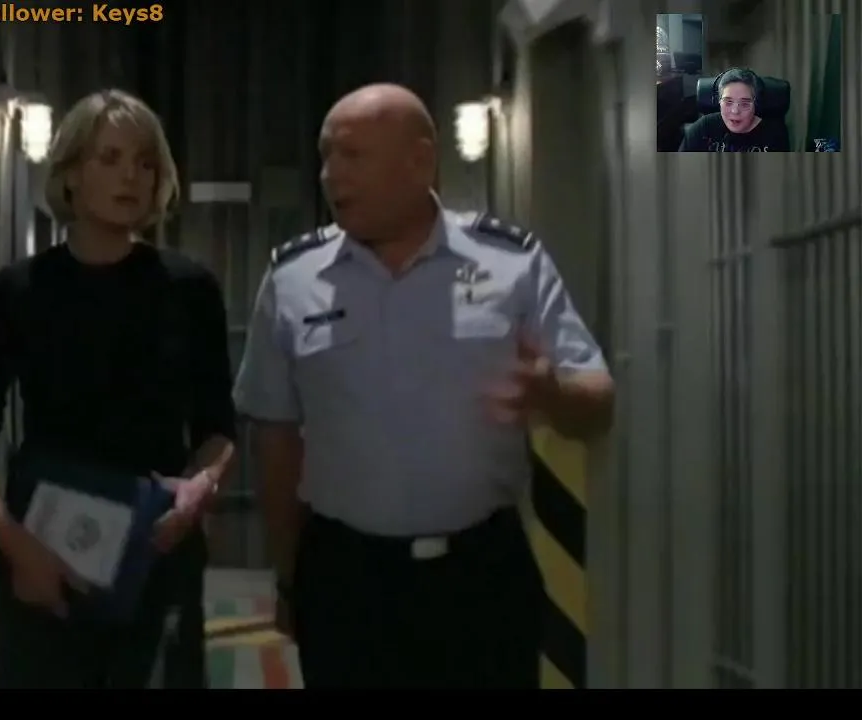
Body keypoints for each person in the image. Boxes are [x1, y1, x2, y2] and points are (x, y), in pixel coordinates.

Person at [233, 83, 615, 689]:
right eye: (325, 157)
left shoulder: (511, 263)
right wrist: (288, 577)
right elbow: (274, 440)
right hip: (346, 581)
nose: (331, 176)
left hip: (480, 576)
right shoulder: (293, 278)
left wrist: (552, 396)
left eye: (352, 155)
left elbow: (597, 401)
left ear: (420, 160)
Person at [0, 89, 236, 688]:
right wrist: (19, 549)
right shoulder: (16, 293)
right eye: (111, 158)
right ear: (70, 173)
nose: (131, 176)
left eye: (146, 163)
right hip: (44, 564)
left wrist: (200, 487)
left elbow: (217, 428)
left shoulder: (190, 289)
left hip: (156, 559)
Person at [679, 68, 791, 152]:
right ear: (718, 101)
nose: (735, 111)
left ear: (756, 104)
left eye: (745, 103)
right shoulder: (703, 128)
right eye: (728, 102)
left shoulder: (774, 134)